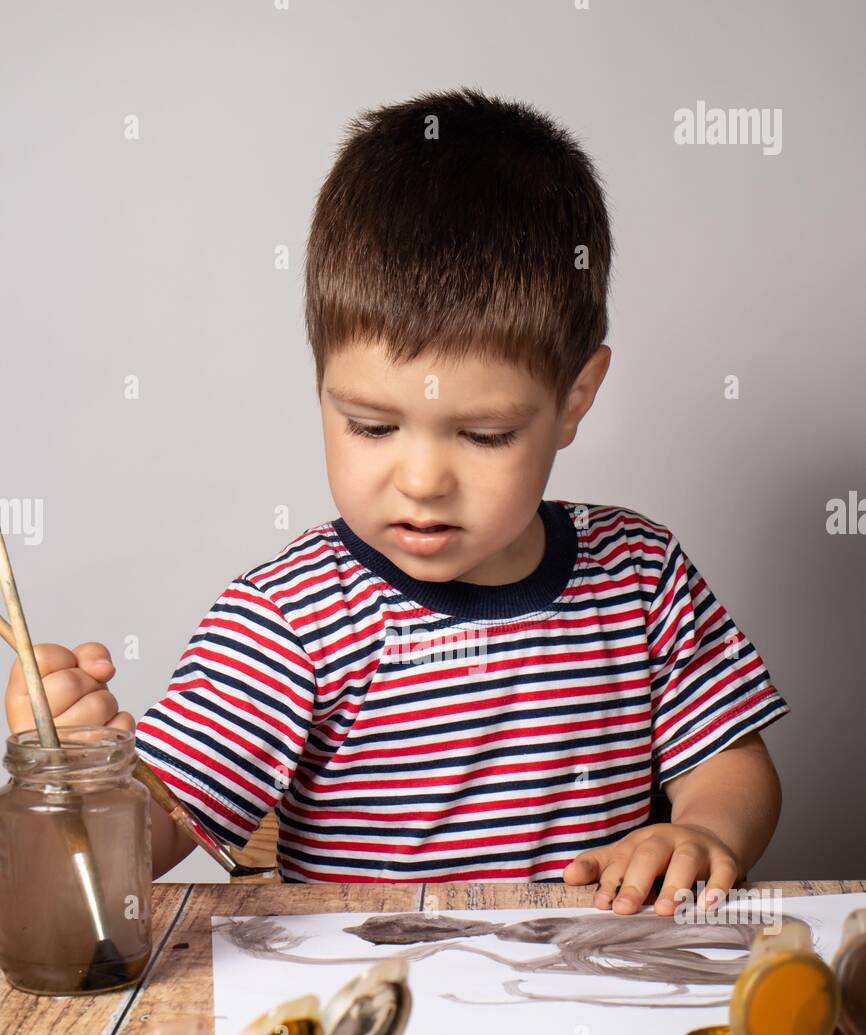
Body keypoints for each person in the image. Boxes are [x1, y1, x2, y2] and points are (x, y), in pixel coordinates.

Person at [4, 89, 788, 913]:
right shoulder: (290, 618)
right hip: (372, 1020)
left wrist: (705, 832)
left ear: (575, 398)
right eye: (372, 426)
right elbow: (151, 837)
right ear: (321, 389)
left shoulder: (640, 574)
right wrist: (69, 772)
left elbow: (730, 764)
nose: (420, 481)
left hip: (600, 1000)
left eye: (483, 435)